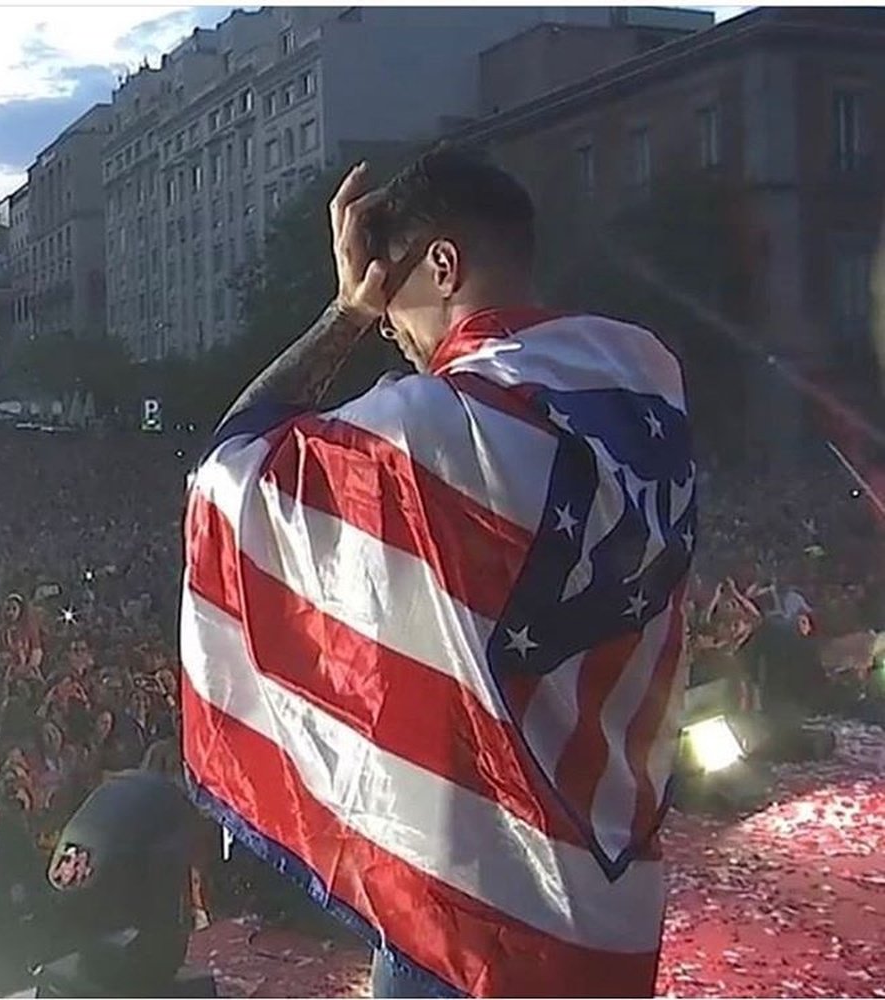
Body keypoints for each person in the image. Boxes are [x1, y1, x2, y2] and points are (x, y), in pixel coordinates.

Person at [181, 148, 696, 997]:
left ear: (443, 265)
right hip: (612, 904)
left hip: (479, 925)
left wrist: (343, 312)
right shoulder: (648, 381)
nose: (399, 337)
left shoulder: (437, 430)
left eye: (394, 311)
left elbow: (230, 465)